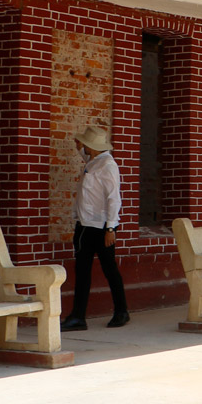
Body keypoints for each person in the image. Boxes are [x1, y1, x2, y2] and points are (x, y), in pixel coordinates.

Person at [62, 126, 128, 331]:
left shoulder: (108, 165)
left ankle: (121, 311)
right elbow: (81, 150)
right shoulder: (92, 160)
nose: (81, 147)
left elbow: (114, 199)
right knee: (82, 272)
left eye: (85, 144)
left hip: (100, 228)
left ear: (92, 146)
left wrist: (111, 229)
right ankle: (78, 316)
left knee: (110, 270)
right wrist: (80, 142)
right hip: (84, 226)